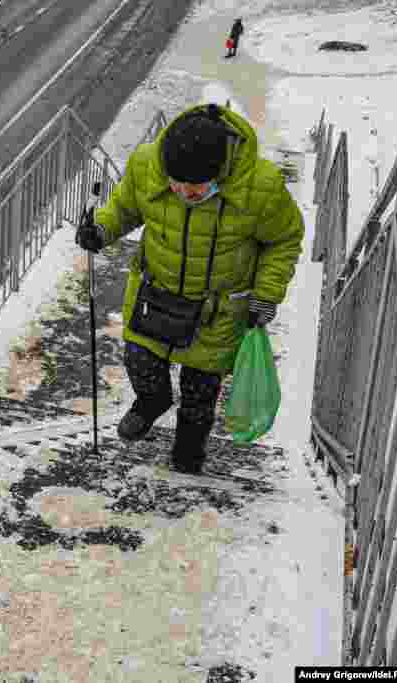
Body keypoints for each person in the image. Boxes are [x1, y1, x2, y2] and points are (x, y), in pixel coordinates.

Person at [75, 103, 304, 474]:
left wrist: (266, 293)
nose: (183, 193)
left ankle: (187, 460)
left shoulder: (260, 188)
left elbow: (284, 240)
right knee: (140, 363)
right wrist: (100, 229)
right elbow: (124, 208)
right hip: (155, 297)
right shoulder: (147, 165)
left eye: (195, 188)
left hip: (217, 312)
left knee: (199, 398)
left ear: (220, 174)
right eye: (176, 184)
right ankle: (151, 404)